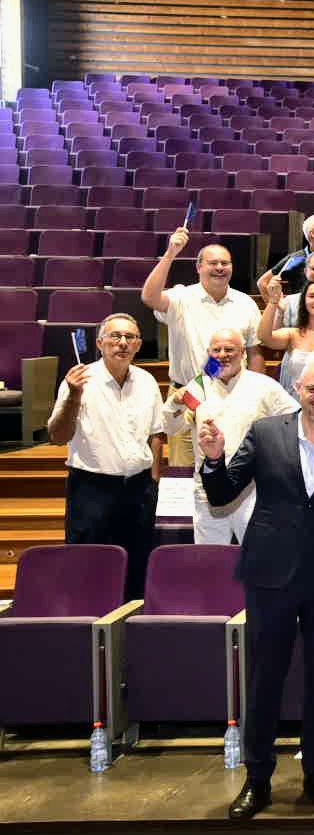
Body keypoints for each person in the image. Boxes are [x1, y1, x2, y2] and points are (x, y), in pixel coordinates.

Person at [198, 357, 314, 820]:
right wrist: (214, 458)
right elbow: (221, 495)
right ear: (298, 387)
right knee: (265, 679)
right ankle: (257, 779)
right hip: (270, 576)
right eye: (313, 390)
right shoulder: (265, 432)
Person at [48, 313, 166, 599]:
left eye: (130, 337)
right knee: (88, 568)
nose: (122, 343)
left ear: (139, 345)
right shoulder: (79, 380)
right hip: (92, 489)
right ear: (100, 343)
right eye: (115, 336)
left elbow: (156, 435)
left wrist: (153, 484)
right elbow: (57, 435)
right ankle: (89, 634)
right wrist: (74, 396)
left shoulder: (148, 381)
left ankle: (131, 636)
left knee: (136, 570)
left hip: (138, 490)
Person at [141, 228, 263, 460]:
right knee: (185, 469)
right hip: (188, 395)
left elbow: (254, 353)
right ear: (199, 267)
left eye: (225, 263)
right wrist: (170, 253)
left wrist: (255, 393)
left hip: (232, 395)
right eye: (213, 263)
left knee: (232, 462)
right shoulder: (181, 298)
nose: (219, 268)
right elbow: (149, 297)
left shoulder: (245, 302)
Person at [170, 328, 298, 545]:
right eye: (216, 350)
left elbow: (294, 421)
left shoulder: (263, 386)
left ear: (243, 353)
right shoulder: (200, 384)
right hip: (207, 491)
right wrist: (175, 401)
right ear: (209, 353)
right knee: (210, 564)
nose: (222, 355)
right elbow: (170, 426)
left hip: (251, 490)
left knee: (256, 560)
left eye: (229, 349)